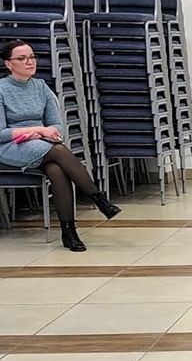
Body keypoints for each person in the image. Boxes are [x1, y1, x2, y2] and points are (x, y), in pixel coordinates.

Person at [0, 39, 121, 252]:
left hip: (40, 143)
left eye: (32, 57)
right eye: (22, 58)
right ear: (8, 64)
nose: (30, 62)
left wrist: (45, 132)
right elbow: (1, 133)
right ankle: (97, 197)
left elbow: (56, 124)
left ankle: (69, 232)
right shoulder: (1, 89)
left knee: (57, 171)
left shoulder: (41, 87)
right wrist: (37, 131)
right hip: (11, 145)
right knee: (57, 150)